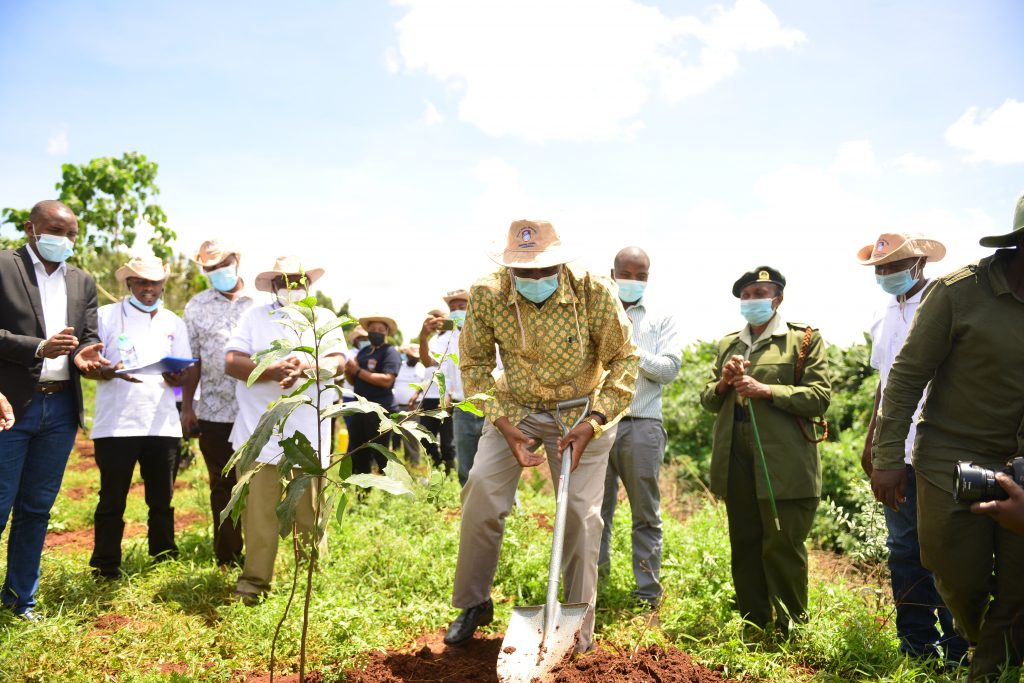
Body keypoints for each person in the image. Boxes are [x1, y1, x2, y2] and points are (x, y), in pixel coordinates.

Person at [444, 219, 638, 653]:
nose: (532, 279)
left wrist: (594, 422)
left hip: (583, 412)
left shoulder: (593, 292)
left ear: (560, 261)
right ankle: (474, 603)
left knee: (579, 517)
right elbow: (473, 366)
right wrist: (504, 425)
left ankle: (577, 629)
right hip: (516, 410)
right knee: (480, 493)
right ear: (508, 266)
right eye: (522, 271)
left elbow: (625, 361)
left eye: (541, 270)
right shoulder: (488, 293)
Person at [871, 193, 1024, 681]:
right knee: (958, 577)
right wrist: (886, 455)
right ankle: (990, 644)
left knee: (1019, 588)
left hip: (1021, 464)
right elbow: (904, 377)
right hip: (949, 459)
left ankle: (987, 667)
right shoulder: (960, 293)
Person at [700, 266, 830, 636]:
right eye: (747, 294)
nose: (753, 300)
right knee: (744, 542)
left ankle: (794, 628)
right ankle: (754, 624)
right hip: (736, 453)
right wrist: (725, 382)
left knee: (782, 543)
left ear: (778, 298)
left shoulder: (803, 340)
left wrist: (766, 390)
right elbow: (708, 400)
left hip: (784, 459)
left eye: (761, 293)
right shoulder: (729, 343)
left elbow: (820, 398)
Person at [857, 233, 967, 663]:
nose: (886, 274)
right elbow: (886, 384)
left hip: (940, 451)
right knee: (904, 550)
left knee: (944, 551)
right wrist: (872, 442)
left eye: (893, 266)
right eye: (880, 268)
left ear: (919, 264)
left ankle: (959, 649)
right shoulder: (882, 317)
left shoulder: (943, 305)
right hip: (895, 453)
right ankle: (916, 647)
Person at [0, 199, 110, 619]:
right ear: (31, 229)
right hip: (12, 406)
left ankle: (19, 602)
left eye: (72, 235)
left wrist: (84, 356)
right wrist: (38, 348)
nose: (65, 241)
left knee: (36, 510)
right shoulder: (5, 268)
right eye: (56, 231)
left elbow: (86, 337)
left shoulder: (82, 281)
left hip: (60, 408)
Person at [225, 256, 345, 603]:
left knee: (310, 515)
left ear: (308, 284)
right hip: (259, 436)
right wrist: (271, 369)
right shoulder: (254, 317)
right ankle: (253, 584)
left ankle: (312, 588)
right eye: (284, 281)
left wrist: (306, 365)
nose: (291, 287)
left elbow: (338, 361)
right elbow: (232, 362)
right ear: (273, 286)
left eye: (298, 280)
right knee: (259, 517)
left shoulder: (323, 318)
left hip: (308, 435)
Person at [85, 256, 194, 579]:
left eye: (155, 282)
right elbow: (89, 368)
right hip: (116, 425)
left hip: (162, 424)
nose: (149, 289)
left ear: (163, 284)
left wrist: (179, 379)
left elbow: (185, 372)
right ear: (129, 283)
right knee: (111, 500)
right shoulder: (105, 317)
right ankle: (105, 565)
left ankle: (163, 556)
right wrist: (108, 371)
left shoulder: (174, 321)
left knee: (162, 498)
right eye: (142, 282)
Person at [598, 246, 680, 608]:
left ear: (648, 278)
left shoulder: (661, 318)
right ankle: (591, 589)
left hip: (642, 424)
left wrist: (631, 348)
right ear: (612, 274)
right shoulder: (596, 314)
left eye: (641, 275)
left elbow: (668, 371)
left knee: (645, 512)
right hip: (596, 425)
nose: (633, 281)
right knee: (593, 513)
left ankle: (647, 593)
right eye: (626, 274)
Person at [181, 240, 256, 568]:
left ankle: (258, 554)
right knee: (223, 485)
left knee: (258, 483)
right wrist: (187, 407)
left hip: (258, 411)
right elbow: (193, 361)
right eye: (209, 268)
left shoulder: (261, 304)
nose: (217, 272)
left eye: (222, 264)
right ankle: (227, 556)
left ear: (236, 260)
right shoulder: (195, 306)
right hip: (214, 411)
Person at [418, 292, 469, 476]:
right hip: (458, 402)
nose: (457, 312)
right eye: (453, 309)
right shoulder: (447, 338)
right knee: (462, 452)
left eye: (461, 308)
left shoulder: (485, 329)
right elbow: (429, 361)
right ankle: (445, 474)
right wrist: (423, 337)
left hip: (486, 403)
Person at [344, 314, 401, 475]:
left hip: (379, 410)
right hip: (360, 408)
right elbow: (354, 380)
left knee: (380, 451)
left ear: (386, 332)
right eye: (372, 329)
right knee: (358, 450)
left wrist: (358, 371)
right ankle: (363, 491)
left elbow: (387, 380)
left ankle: (387, 488)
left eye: (380, 329)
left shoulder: (390, 353)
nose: (376, 332)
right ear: (367, 331)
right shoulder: (363, 352)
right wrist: (350, 370)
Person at [391, 345, 425, 464]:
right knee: (396, 435)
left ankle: (414, 463)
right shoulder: (400, 366)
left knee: (411, 436)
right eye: (413, 357)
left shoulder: (421, 368)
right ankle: (400, 461)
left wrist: (416, 394)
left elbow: (424, 384)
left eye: (417, 358)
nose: (415, 359)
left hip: (413, 407)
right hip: (397, 406)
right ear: (408, 355)